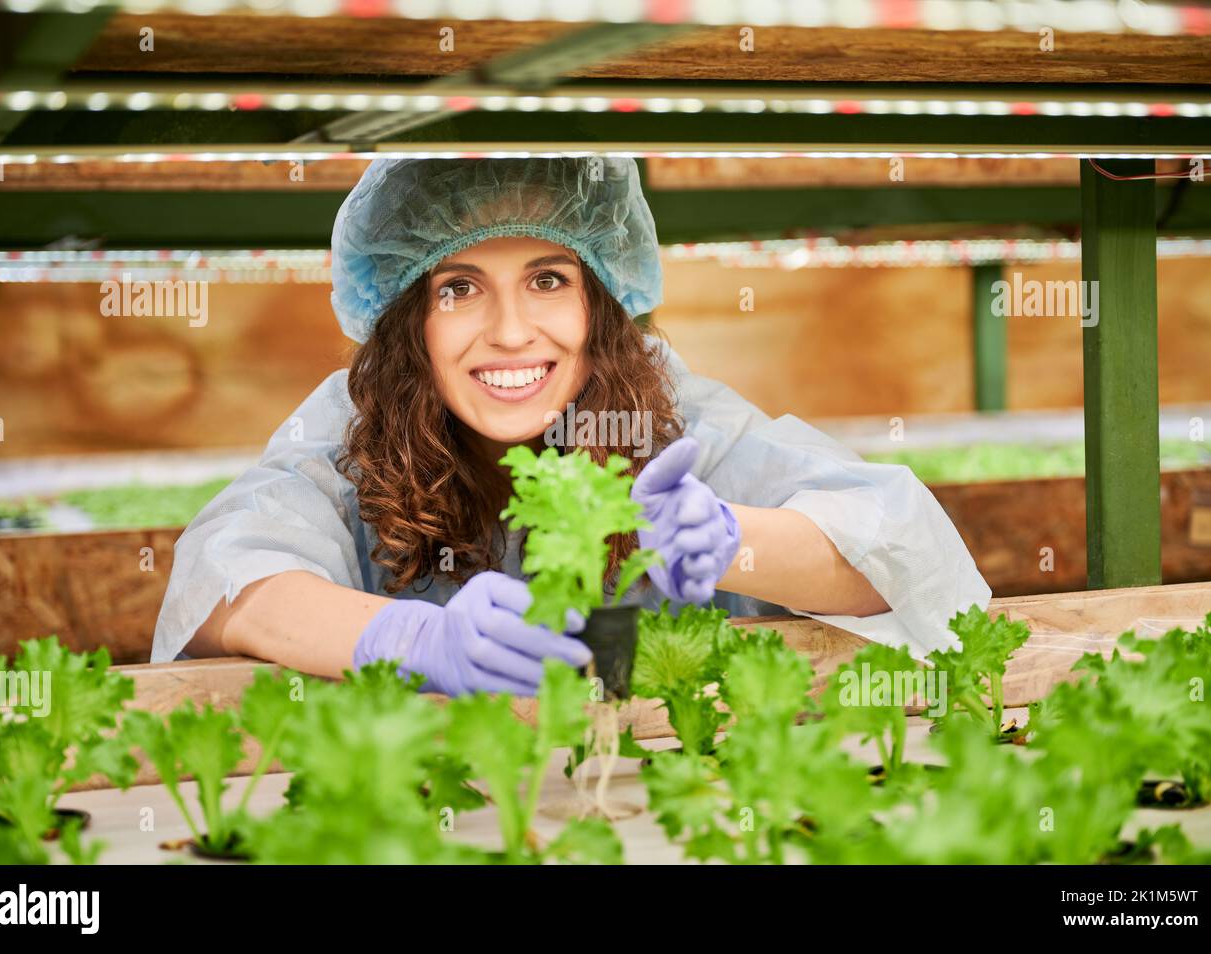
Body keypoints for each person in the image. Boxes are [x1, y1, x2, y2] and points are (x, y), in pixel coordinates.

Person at [152, 156, 990, 695]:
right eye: (460, 288)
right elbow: (232, 578)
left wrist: (734, 538)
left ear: (600, 298)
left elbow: (898, 555)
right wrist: (412, 638)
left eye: (549, 279)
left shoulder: (666, 415)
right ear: (410, 314)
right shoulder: (353, 424)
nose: (513, 331)